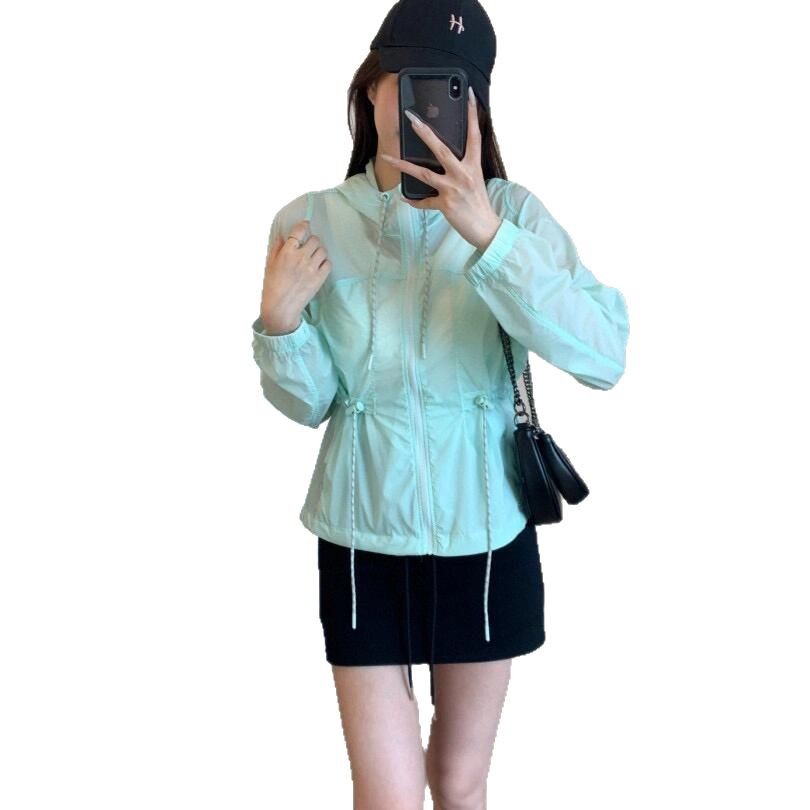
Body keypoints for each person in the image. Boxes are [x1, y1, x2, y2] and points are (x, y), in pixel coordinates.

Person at [251, 1, 630, 806]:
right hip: (361, 531)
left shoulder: (513, 214)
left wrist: (491, 238)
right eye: (408, 78)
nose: (423, 103)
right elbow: (310, 403)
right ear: (371, 87)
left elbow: (604, 355)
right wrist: (279, 325)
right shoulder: (310, 220)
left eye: (449, 86)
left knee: (459, 782)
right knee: (388, 795)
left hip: (485, 533)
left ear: (475, 104)